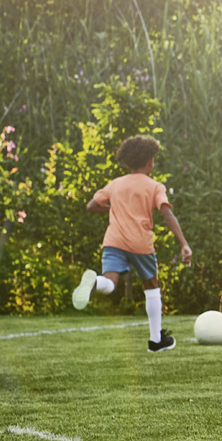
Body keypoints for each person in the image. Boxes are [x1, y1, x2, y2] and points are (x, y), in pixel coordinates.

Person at [71, 134, 193, 352]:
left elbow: (91, 206)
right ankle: (156, 341)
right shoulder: (155, 186)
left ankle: (94, 283)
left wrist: (113, 209)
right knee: (151, 287)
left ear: (127, 163)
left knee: (110, 284)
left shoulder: (115, 184)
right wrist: (183, 243)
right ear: (150, 162)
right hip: (141, 244)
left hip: (114, 241)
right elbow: (167, 214)